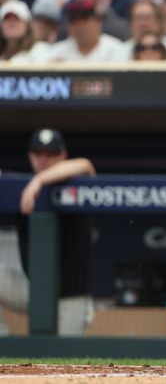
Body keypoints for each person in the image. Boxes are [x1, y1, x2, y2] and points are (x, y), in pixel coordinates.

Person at [10, 129, 97, 335]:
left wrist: (38, 181)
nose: (43, 160)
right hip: (33, 290)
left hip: (71, 296)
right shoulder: (19, 187)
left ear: (63, 155)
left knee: (63, 360)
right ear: (29, 155)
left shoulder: (78, 181)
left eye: (50, 154)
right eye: (38, 154)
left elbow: (85, 164)